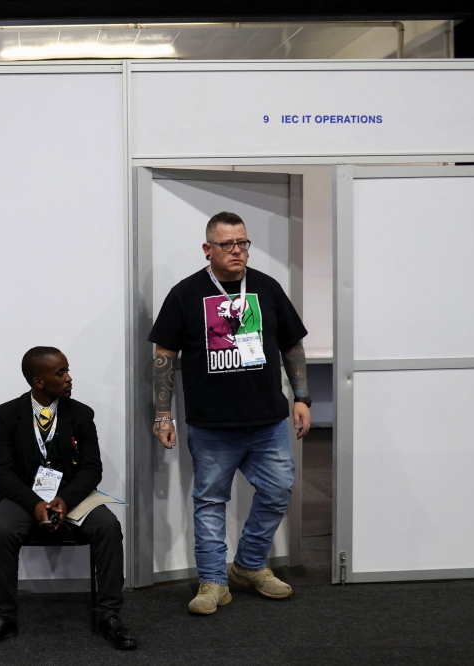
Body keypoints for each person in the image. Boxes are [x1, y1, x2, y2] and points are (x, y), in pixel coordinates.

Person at [148, 211, 310, 615]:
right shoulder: (185, 294)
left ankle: (249, 565)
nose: (237, 251)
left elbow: (291, 344)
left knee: (277, 492)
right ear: (208, 249)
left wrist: (303, 396)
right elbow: (164, 356)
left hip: (268, 421)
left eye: (243, 243)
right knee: (210, 501)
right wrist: (163, 414)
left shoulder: (267, 288)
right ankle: (212, 582)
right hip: (212, 424)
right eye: (227, 244)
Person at [0, 347, 136, 650]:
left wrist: (64, 500)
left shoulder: (81, 414)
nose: (69, 378)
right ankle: (3, 618)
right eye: (61, 373)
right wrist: (35, 504)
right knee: (3, 530)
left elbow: (91, 469)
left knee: (108, 527)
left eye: (67, 370)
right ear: (39, 381)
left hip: (72, 496)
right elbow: (2, 473)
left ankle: (109, 616)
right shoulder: (7, 415)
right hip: (22, 497)